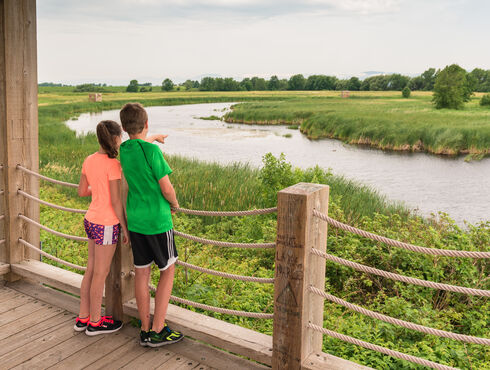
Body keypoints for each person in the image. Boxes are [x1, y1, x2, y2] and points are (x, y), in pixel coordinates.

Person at [119, 102, 184, 347]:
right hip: (157, 221)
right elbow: (166, 187)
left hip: (135, 222)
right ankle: (159, 329)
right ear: (146, 124)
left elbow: (139, 145)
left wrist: (152, 138)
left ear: (124, 129)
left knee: (142, 273)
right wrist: (175, 204)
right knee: (167, 271)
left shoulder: (124, 149)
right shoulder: (153, 152)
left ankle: (145, 329)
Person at [75, 120, 128, 335]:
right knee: (101, 273)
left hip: (90, 220)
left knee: (91, 269)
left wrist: (97, 190)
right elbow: (116, 202)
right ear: (115, 139)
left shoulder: (89, 160)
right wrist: (124, 226)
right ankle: (96, 322)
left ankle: (83, 317)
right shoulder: (113, 164)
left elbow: (81, 191)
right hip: (106, 224)